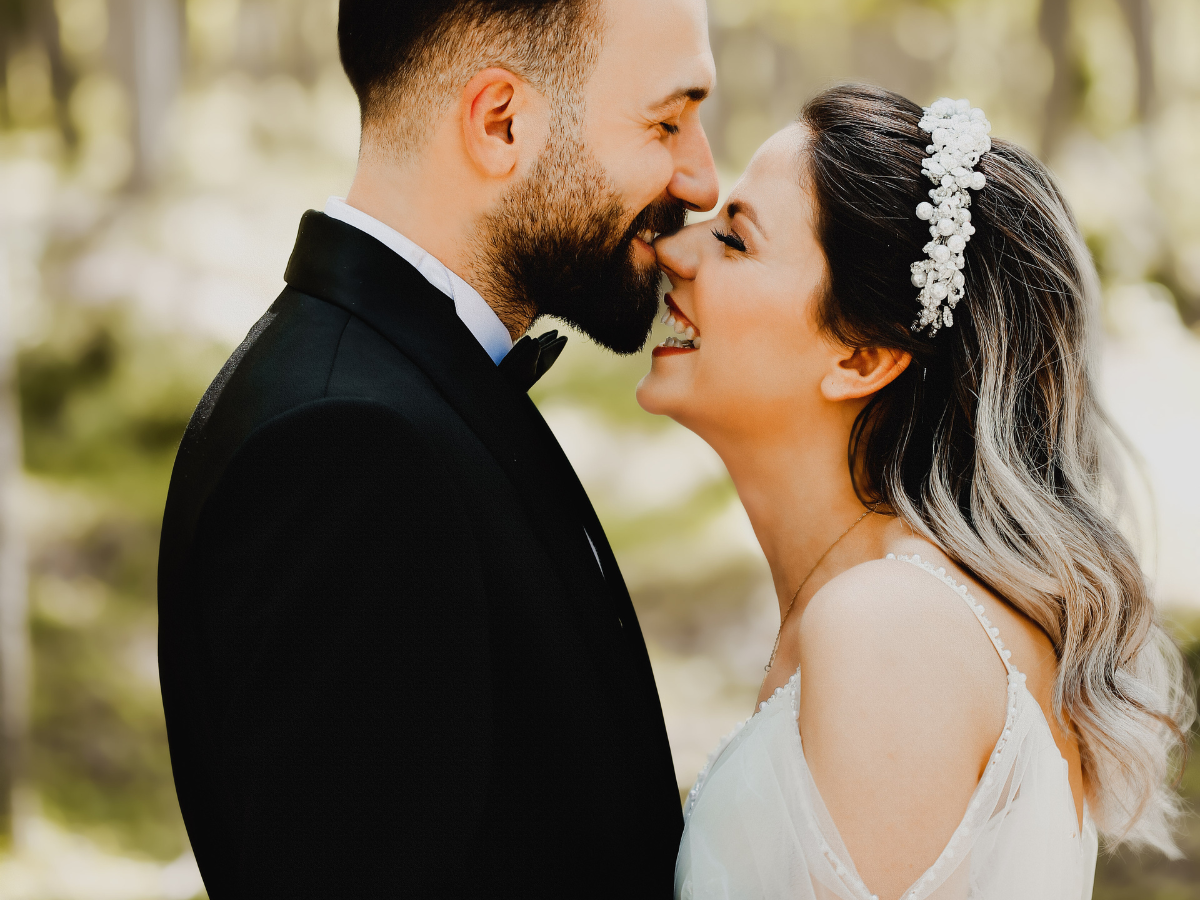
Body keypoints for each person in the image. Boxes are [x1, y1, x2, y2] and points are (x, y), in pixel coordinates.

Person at [157, 0, 718, 895]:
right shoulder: (346, 453)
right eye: (668, 120)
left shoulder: (391, 390)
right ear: (501, 122)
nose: (701, 177)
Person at [639, 84, 1193, 900]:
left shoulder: (888, 630)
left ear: (860, 360)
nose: (675, 250)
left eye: (735, 238)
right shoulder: (889, 611)